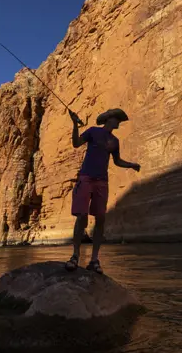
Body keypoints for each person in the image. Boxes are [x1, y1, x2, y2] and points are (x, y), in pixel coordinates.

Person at [65, 108, 140, 274]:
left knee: (100, 219)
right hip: (85, 178)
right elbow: (76, 143)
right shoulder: (93, 131)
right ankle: (75, 256)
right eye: (116, 120)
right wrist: (75, 125)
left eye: (119, 121)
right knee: (82, 216)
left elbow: (117, 161)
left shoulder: (115, 141)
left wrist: (131, 165)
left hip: (102, 182)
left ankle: (94, 260)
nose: (118, 123)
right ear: (108, 120)